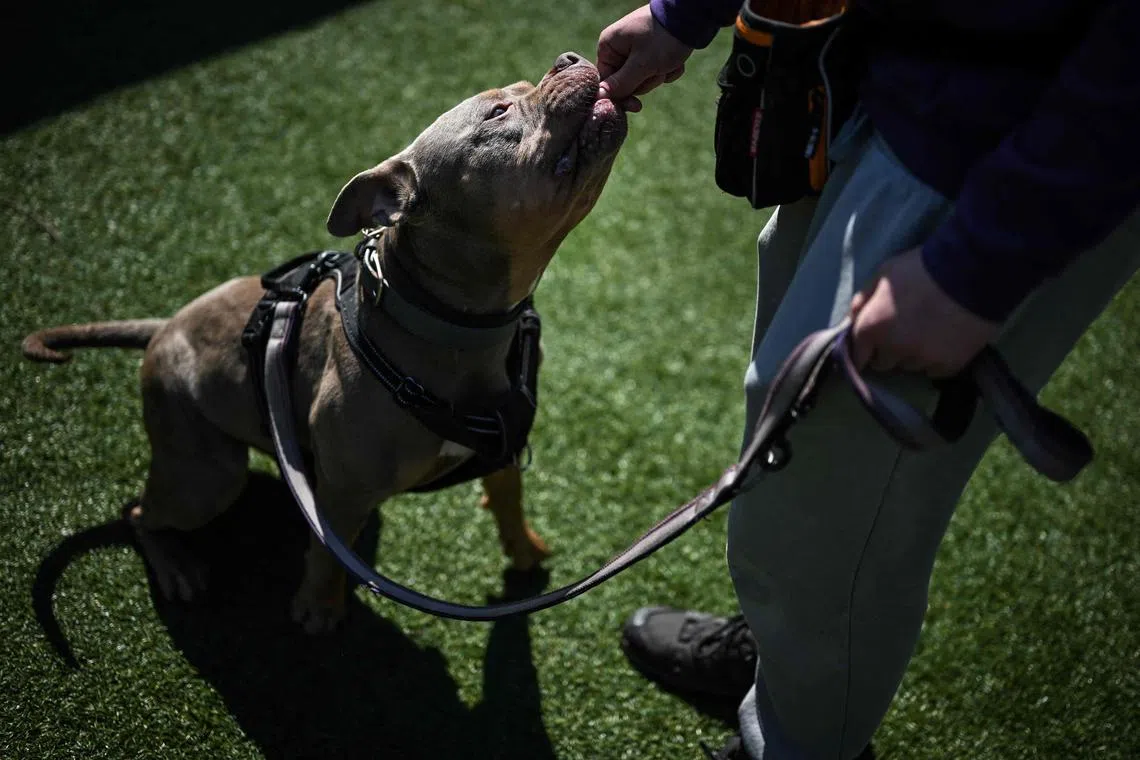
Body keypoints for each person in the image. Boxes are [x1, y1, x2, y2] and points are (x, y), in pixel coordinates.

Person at [595, 1, 1140, 758]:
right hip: (866, 69)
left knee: (829, 510)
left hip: (1001, 143)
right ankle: (790, 663)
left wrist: (976, 266)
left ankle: (797, 744)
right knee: (783, 427)